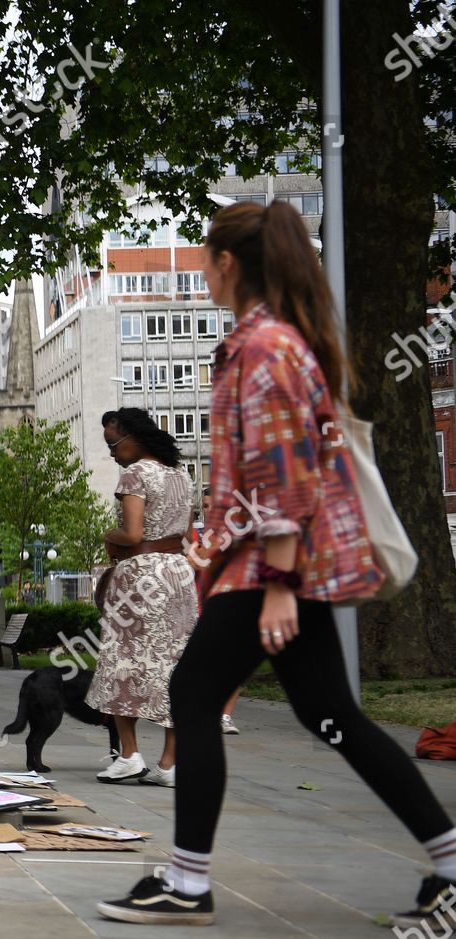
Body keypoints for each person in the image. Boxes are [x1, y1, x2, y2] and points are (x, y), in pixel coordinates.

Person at [98, 201, 456, 930]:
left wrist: (282, 582)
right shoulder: (279, 341)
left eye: (206, 257)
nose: (204, 269)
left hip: (275, 565)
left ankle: (187, 883)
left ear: (229, 263)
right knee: (332, 716)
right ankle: (450, 865)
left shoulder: (263, 347)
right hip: (271, 561)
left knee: (195, 693)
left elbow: (286, 470)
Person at [90, 408, 196, 787]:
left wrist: (108, 535)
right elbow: (185, 535)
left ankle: (130, 756)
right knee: (176, 665)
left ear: (134, 437)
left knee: (122, 660)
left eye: (113, 444)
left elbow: (133, 535)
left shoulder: (135, 474)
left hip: (142, 577)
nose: (113, 453)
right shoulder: (181, 476)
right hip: (178, 575)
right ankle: (169, 764)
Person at [191, 487, 242, 736]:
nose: (209, 511)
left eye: (215, 506)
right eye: (206, 506)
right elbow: (192, 562)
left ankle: (224, 715)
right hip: (200, 605)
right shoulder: (197, 533)